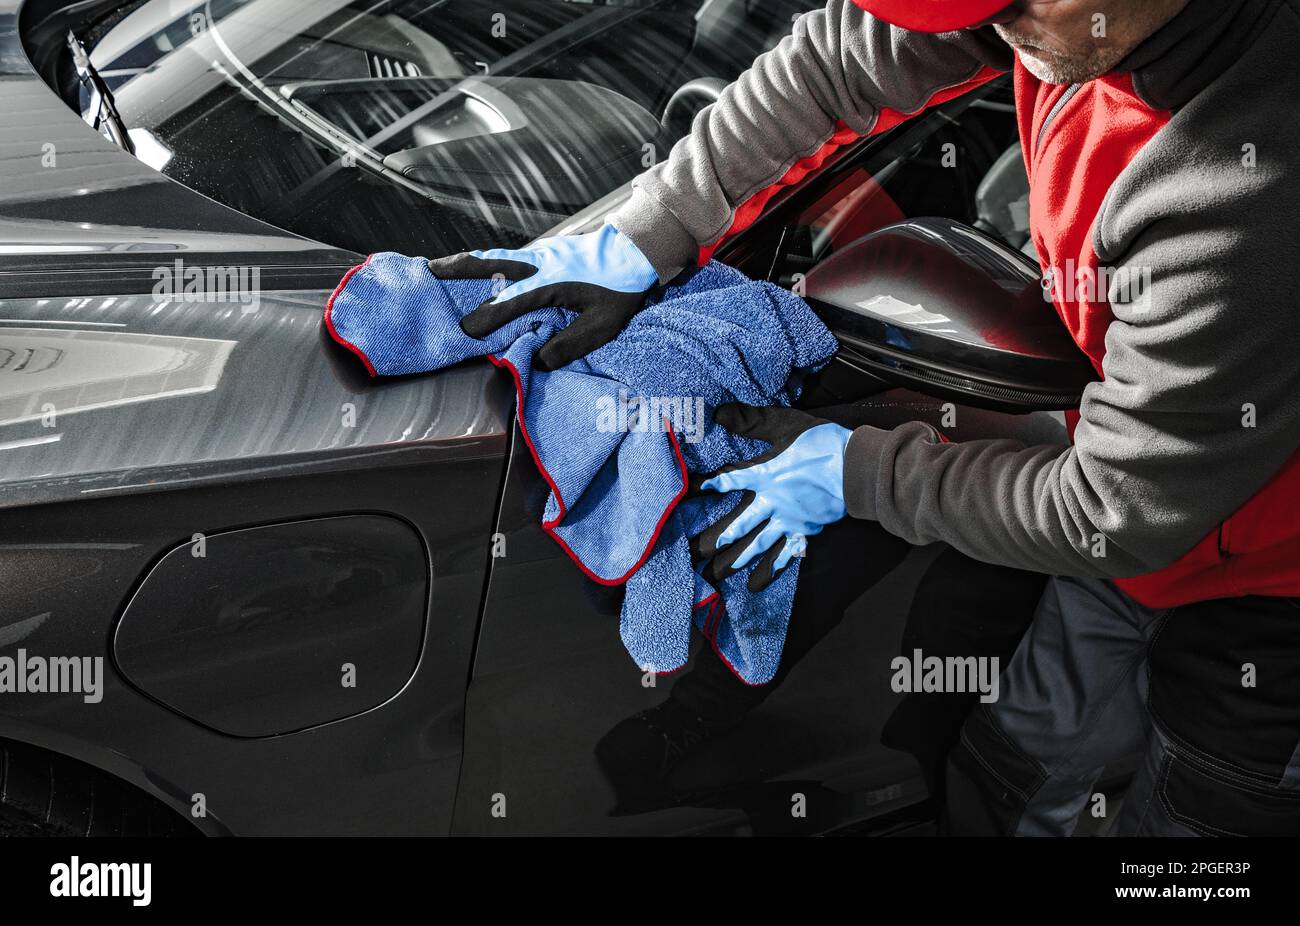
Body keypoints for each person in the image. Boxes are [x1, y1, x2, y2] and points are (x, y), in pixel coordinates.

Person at [430, 0, 1300, 835]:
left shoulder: (1242, 183)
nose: (996, 23)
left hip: (1266, 592)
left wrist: (854, 469)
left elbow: (1113, 512)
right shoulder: (1064, 21)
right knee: (1007, 770)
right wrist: (641, 234)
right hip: (1128, 533)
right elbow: (839, 62)